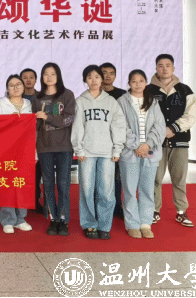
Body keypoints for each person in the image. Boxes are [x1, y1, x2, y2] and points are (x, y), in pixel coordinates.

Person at [71, 65, 126, 240]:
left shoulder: (111, 102)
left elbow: (118, 126)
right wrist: (78, 149)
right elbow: (77, 127)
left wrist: (117, 148)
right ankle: (89, 224)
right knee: (87, 190)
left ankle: (104, 225)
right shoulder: (80, 101)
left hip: (107, 153)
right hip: (86, 153)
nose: (94, 80)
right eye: (89, 77)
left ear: (101, 79)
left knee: (107, 191)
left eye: (97, 77)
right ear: (85, 80)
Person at [147, 54, 196, 227]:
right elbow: (143, 115)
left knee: (179, 179)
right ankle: (154, 211)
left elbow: (191, 115)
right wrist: (159, 131)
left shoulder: (185, 90)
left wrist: (174, 128)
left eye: (168, 65)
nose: (164, 69)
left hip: (179, 142)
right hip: (155, 144)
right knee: (154, 179)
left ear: (173, 68)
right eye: (160, 65)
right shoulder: (148, 91)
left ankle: (181, 212)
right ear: (156, 69)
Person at [118, 70, 165, 239]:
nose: (137, 84)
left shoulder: (153, 101)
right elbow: (120, 126)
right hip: (130, 153)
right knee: (130, 189)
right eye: (134, 81)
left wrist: (147, 145)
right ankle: (132, 223)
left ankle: (145, 223)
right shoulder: (122, 101)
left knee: (147, 189)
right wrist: (136, 146)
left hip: (150, 152)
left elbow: (159, 126)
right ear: (129, 83)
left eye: (141, 81)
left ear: (146, 83)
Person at [32, 63, 76, 236]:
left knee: (63, 183)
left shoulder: (67, 94)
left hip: (64, 146)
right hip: (44, 147)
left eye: (53, 74)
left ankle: (63, 220)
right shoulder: (37, 98)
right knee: (48, 183)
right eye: (45, 74)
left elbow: (69, 119)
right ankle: (53, 219)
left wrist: (48, 117)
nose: (49, 77)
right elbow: (34, 124)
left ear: (58, 76)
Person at [0, 74, 33, 234]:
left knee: (22, 184)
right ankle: (8, 219)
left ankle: (20, 219)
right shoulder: (2, 103)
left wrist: (34, 153)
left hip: (25, 150)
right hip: (7, 149)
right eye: (11, 85)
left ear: (23, 87)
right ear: (7, 89)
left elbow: (32, 130)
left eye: (18, 84)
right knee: (8, 185)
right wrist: (8, 120)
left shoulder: (29, 104)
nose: (15, 87)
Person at [100, 62, 127, 219]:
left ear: (115, 76)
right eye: (104, 72)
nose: (108, 76)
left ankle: (117, 206)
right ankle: (100, 207)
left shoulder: (123, 95)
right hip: (98, 141)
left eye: (111, 73)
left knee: (117, 176)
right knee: (101, 177)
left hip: (117, 141)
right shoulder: (94, 93)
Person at [20, 67, 42, 214]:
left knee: (37, 172)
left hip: (38, 138)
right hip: (20, 140)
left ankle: (35, 201)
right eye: (25, 77)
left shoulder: (41, 97)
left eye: (31, 77)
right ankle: (21, 202)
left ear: (35, 80)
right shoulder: (16, 96)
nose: (28, 80)